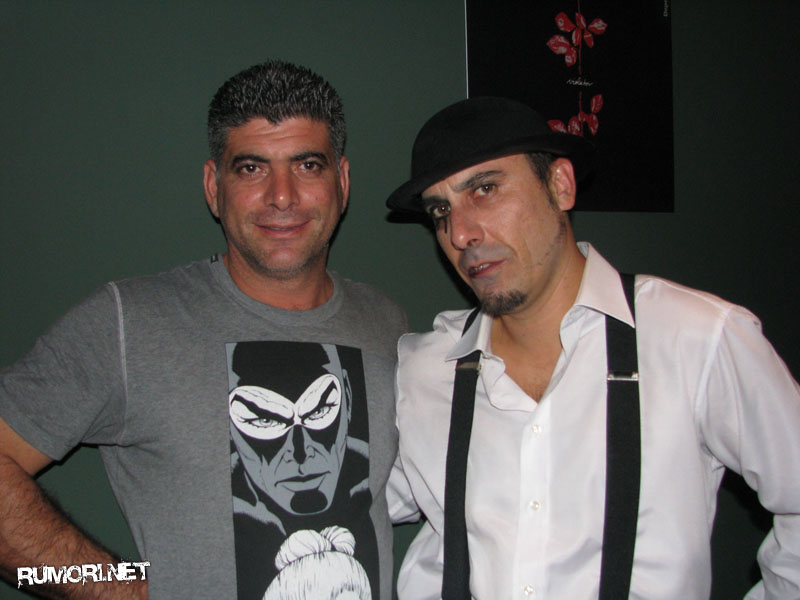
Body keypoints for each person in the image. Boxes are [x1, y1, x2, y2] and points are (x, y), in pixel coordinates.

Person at [0, 60, 407, 600]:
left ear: (343, 182)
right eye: (252, 168)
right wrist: (115, 591)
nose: (282, 196)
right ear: (214, 187)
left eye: (308, 165)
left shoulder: (387, 323)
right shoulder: (127, 322)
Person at [385, 96, 800, 599]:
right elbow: (343, 498)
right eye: (440, 210)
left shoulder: (696, 338)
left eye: (485, 189)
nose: (460, 233)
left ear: (560, 184)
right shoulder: (425, 370)